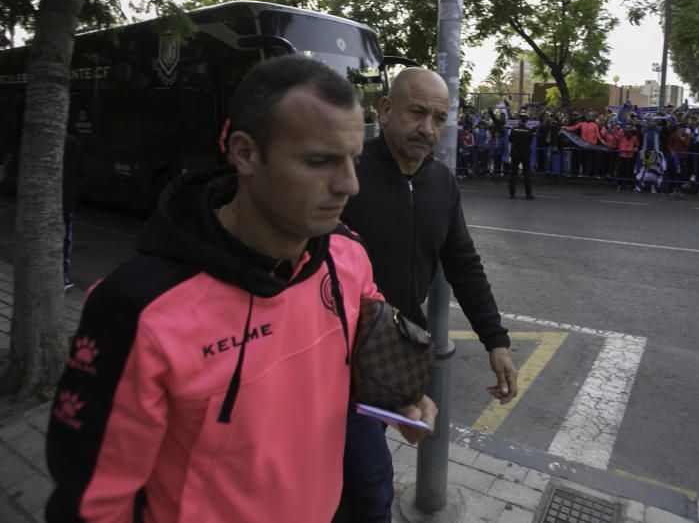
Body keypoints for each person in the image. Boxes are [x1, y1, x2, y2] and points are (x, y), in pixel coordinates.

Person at [44, 56, 437, 522]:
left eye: (352, 160)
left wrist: (399, 397)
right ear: (245, 153)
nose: (349, 185)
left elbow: (359, 349)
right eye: (319, 161)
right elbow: (93, 505)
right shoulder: (137, 309)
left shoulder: (347, 257)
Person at [336, 67, 518, 523]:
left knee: (355, 479)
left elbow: (463, 262)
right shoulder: (349, 173)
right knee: (368, 483)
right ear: (385, 110)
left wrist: (496, 340)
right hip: (335, 358)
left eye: (439, 118)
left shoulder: (441, 182)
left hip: (392, 355)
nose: (428, 129)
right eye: (417, 113)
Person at [62, 133, 86, 290]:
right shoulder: (74, 143)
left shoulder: (33, 138)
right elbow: (84, 172)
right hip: (66, 202)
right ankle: (63, 276)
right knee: (65, 239)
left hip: (42, 202)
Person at [508, 111, 535, 199]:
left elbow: (510, 140)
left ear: (519, 120)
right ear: (526, 121)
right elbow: (530, 141)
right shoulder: (528, 130)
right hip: (525, 153)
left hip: (515, 152)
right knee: (527, 174)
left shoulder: (514, 129)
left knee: (513, 174)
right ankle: (528, 194)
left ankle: (512, 194)